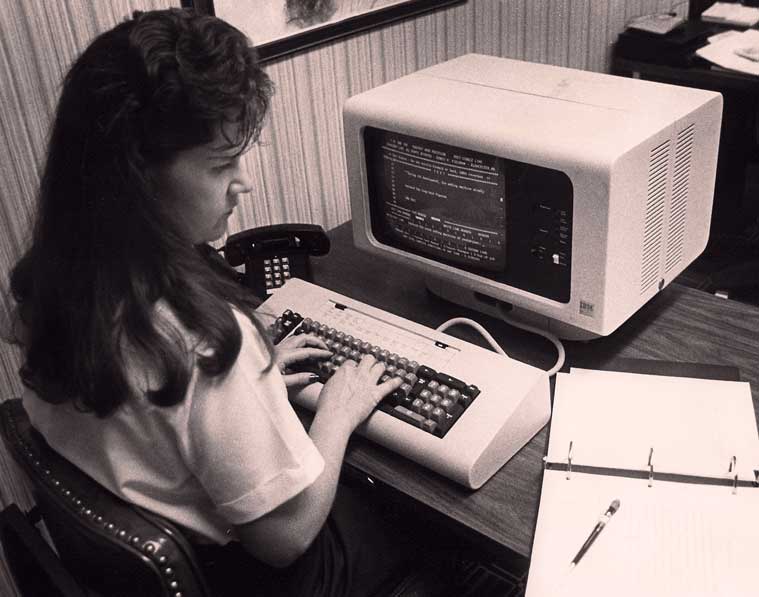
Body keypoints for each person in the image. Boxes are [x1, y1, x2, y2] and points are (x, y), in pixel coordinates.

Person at [6, 8, 444, 596]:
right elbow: (285, 540)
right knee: (428, 522)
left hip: (164, 541)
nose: (244, 183)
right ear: (138, 177)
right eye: (221, 164)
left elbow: (146, 418)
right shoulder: (204, 342)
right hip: (258, 577)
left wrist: (249, 399)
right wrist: (338, 412)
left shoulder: (41, 286)